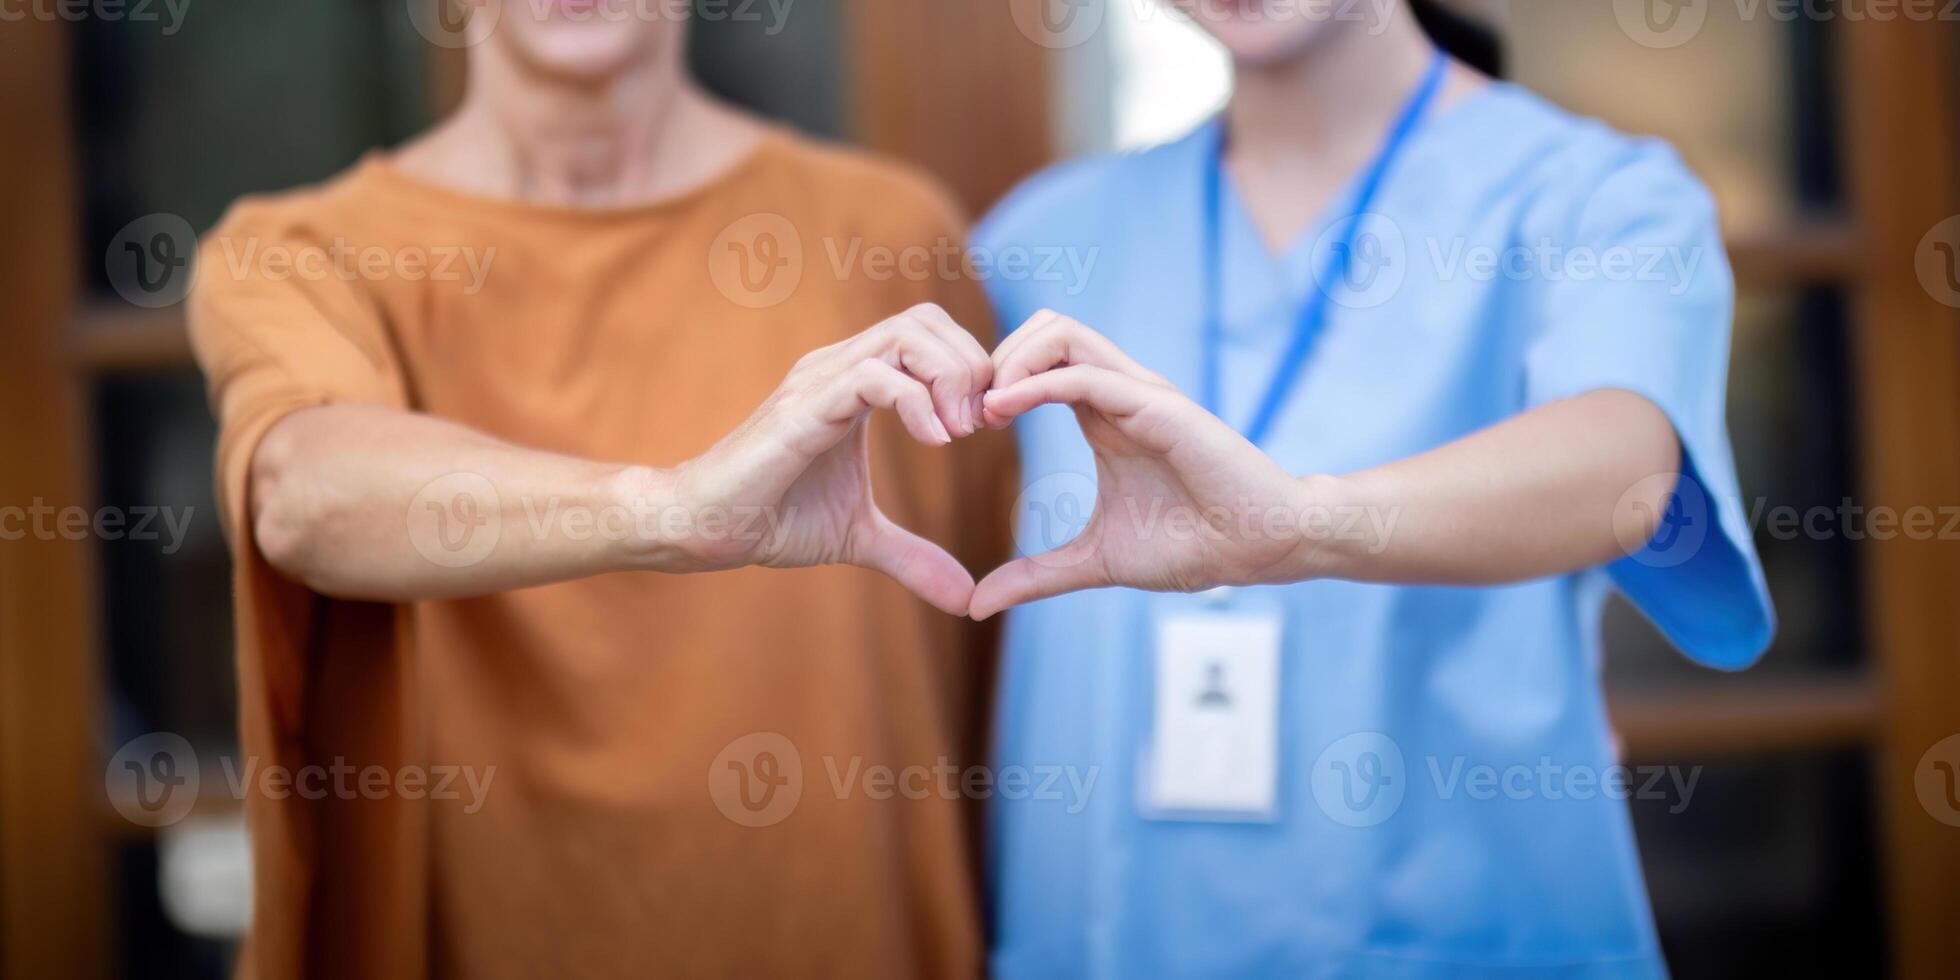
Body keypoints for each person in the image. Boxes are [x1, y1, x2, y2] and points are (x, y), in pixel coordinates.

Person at [188, 2, 1011, 976]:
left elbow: (988, 660)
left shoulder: (890, 235)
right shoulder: (297, 252)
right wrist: (678, 509)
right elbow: (303, 494)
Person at [970, 0, 1775, 976]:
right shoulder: (1040, 238)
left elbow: (1625, 463)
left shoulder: (1600, 200)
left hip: (1456, 928)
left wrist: (1298, 522)